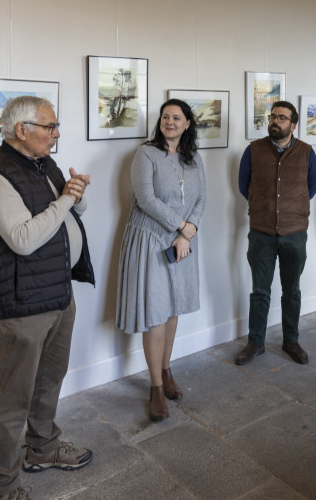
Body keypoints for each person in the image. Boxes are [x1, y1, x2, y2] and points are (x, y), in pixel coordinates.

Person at [0, 96, 95, 500]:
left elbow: (68, 212)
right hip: (23, 302)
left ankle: (42, 449)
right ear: (22, 130)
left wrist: (77, 194)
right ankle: (1, 487)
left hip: (57, 290)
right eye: (50, 127)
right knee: (13, 396)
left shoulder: (43, 163)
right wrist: (66, 200)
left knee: (49, 380)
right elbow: (23, 240)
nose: (56, 135)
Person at [115, 99, 206, 421]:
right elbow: (145, 199)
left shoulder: (193, 159)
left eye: (176, 118)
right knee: (155, 312)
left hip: (181, 243)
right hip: (150, 240)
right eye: (166, 117)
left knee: (172, 309)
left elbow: (200, 199)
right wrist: (181, 225)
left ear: (187, 124)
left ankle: (166, 370)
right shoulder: (145, 154)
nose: (170, 122)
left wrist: (188, 233)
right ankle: (155, 386)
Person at [235, 100, 316, 366]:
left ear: (293, 125)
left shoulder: (307, 152)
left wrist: (290, 210)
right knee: (260, 290)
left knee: (291, 290)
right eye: (272, 117)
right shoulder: (253, 150)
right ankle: (255, 342)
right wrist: (266, 207)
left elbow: (311, 188)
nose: (275, 121)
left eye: (282, 118)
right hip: (261, 232)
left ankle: (290, 340)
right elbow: (243, 186)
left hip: (295, 232)